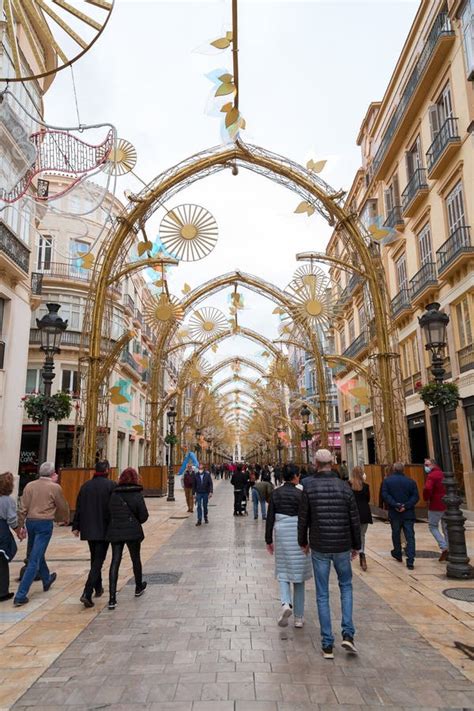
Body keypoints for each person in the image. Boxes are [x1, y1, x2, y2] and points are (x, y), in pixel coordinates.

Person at [298, 449, 361, 659]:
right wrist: (356, 545)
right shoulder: (345, 487)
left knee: (322, 594)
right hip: (342, 545)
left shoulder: (309, 487)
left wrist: (303, 542)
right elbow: (354, 518)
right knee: (346, 587)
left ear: (315, 463)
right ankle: (348, 635)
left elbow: (303, 517)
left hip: (320, 546)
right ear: (332, 463)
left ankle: (327, 644)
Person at [14, 462, 69, 607]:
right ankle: (20, 595)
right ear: (52, 474)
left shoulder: (30, 486)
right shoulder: (55, 487)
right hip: (44, 523)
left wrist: (21, 526)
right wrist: (64, 519)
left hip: (31, 522)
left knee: (37, 552)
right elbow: (62, 506)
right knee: (34, 559)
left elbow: (22, 508)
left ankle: (46, 579)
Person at [266, 466, 312, 628]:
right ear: (295, 476)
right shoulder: (301, 495)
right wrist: (307, 540)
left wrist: (268, 540)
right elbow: (308, 517)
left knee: (283, 573)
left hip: (282, 535)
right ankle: (299, 618)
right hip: (299, 536)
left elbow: (270, 517)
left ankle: (286, 603)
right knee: (299, 577)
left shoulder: (276, 493)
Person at [72, 460, 116, 608]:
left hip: (89, 528)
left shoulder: (85, 486)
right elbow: (114, 508)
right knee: (98, 560)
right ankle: (87, 592)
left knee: (95, 558)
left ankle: (98, 587)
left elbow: (79, 507)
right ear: (107, 470)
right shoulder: (111, 486)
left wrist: (76, 526)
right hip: (104, 529)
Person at [106, 468, 148, 610]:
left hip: (116, 531)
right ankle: (138, 586)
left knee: (115, 561)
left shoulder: (114, 494)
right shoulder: (137, 494)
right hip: (132, 532)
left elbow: (109, 512)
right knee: (135, 559)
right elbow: (143, 516)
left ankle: (112, 598)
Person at [381, 462, 419, 570]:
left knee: (396, 533)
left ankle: (397, 553)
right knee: (410, 536)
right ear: (403, 470)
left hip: (395, 512)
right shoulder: (411, 482)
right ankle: (410, 559)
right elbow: (415, 497)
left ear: (393, 469)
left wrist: (395, 504)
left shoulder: (387, 481)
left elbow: (385, 495)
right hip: (408, 513)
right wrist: (406, 506)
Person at [0, 472, 26, 601]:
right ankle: (2, 591)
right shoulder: (7, 501)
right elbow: (11, 519)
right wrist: (18, 531)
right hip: (1, 530)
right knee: (2, 560)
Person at [423, 458, 448, 562]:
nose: (425, 467)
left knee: (433, 526)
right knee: (446, 527)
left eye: (427, 465)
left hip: (436, 505)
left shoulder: (432, 476)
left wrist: (426, 498)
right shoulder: (443, 474)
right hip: (447, 505)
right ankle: (449, 548)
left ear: (433, 464)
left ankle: (444, 546)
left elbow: (427, 489)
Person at [348, 466, 373, 571]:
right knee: (362, 535)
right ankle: (362, 554)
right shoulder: (366, 486)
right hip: (364, 513)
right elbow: (367, 499)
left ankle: (350, 553)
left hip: (352, 513)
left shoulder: (348, 485)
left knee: (351, 533)